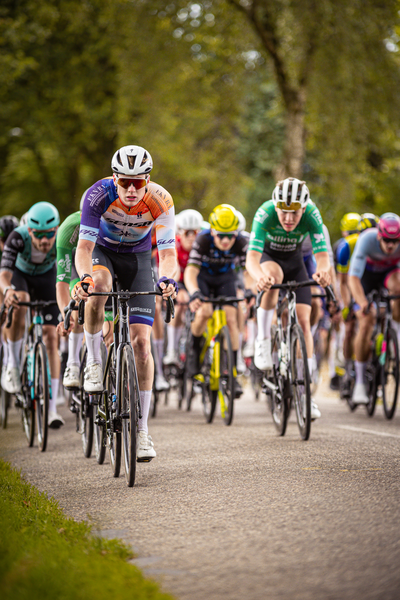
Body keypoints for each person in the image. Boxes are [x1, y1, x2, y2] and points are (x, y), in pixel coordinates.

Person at [74, 145, 178, 461]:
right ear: (114, 178)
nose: (131, 190)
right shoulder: (96, 195)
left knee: (142, 345)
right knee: (100, 286)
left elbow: (169, 254)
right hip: (102, 254)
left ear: (147, 180)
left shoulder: (160, 200)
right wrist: (85, 278)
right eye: (124, 182)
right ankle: (94, 361)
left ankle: (143, 431)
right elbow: (83, 248)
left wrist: (168, 280)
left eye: (138, 182)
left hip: (138, 260)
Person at [245, 177, 331, 420]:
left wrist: (323, 271)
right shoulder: (265, 213)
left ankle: (307, 396)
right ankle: (262, 340)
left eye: (295, 213)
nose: (289, 219)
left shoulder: (312, 214)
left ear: (304, 208)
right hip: (269, 260)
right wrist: (259, 277)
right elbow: (252, 258)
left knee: (304, 323)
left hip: (295, 264)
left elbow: (322, 255)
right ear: (276, 206)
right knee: (273, 276)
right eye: (284, 212)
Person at [0, 202, 64, 428]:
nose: (45, 240)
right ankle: (13, 365)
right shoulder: (16, 238)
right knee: (21, 304)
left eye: (49, 234)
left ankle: (52, 408)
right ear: (29, 231)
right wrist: (8, 291)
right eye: (38, 235)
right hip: (21, 276)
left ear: (56, 229)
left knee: (51, 337)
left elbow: (69, 271)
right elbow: (4, 273)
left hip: (48, 277)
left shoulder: (63, 236)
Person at [184, 204, 249, 396]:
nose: (227, 240)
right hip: (203, 278)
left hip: (225, 278)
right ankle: (194, 353)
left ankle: (232, 373)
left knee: (231, 319)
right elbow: (191, 271)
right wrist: (194, 292)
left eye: (231, 235)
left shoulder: (241, 242)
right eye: (221, 235)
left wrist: (251, 291)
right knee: (204, 312)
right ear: (212, 231)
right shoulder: (202, 239)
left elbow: (248, 272)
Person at [348, 212, 400, 404]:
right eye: (387, 240)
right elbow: (352, 278)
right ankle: (360, 383)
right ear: (379, 234)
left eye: (395, 241)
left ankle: (395, 332)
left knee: (398, 287)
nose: (391, 246)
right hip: (366, 278)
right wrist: (362, 303)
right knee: (366, 321)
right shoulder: (366, 239)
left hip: (390, 274)